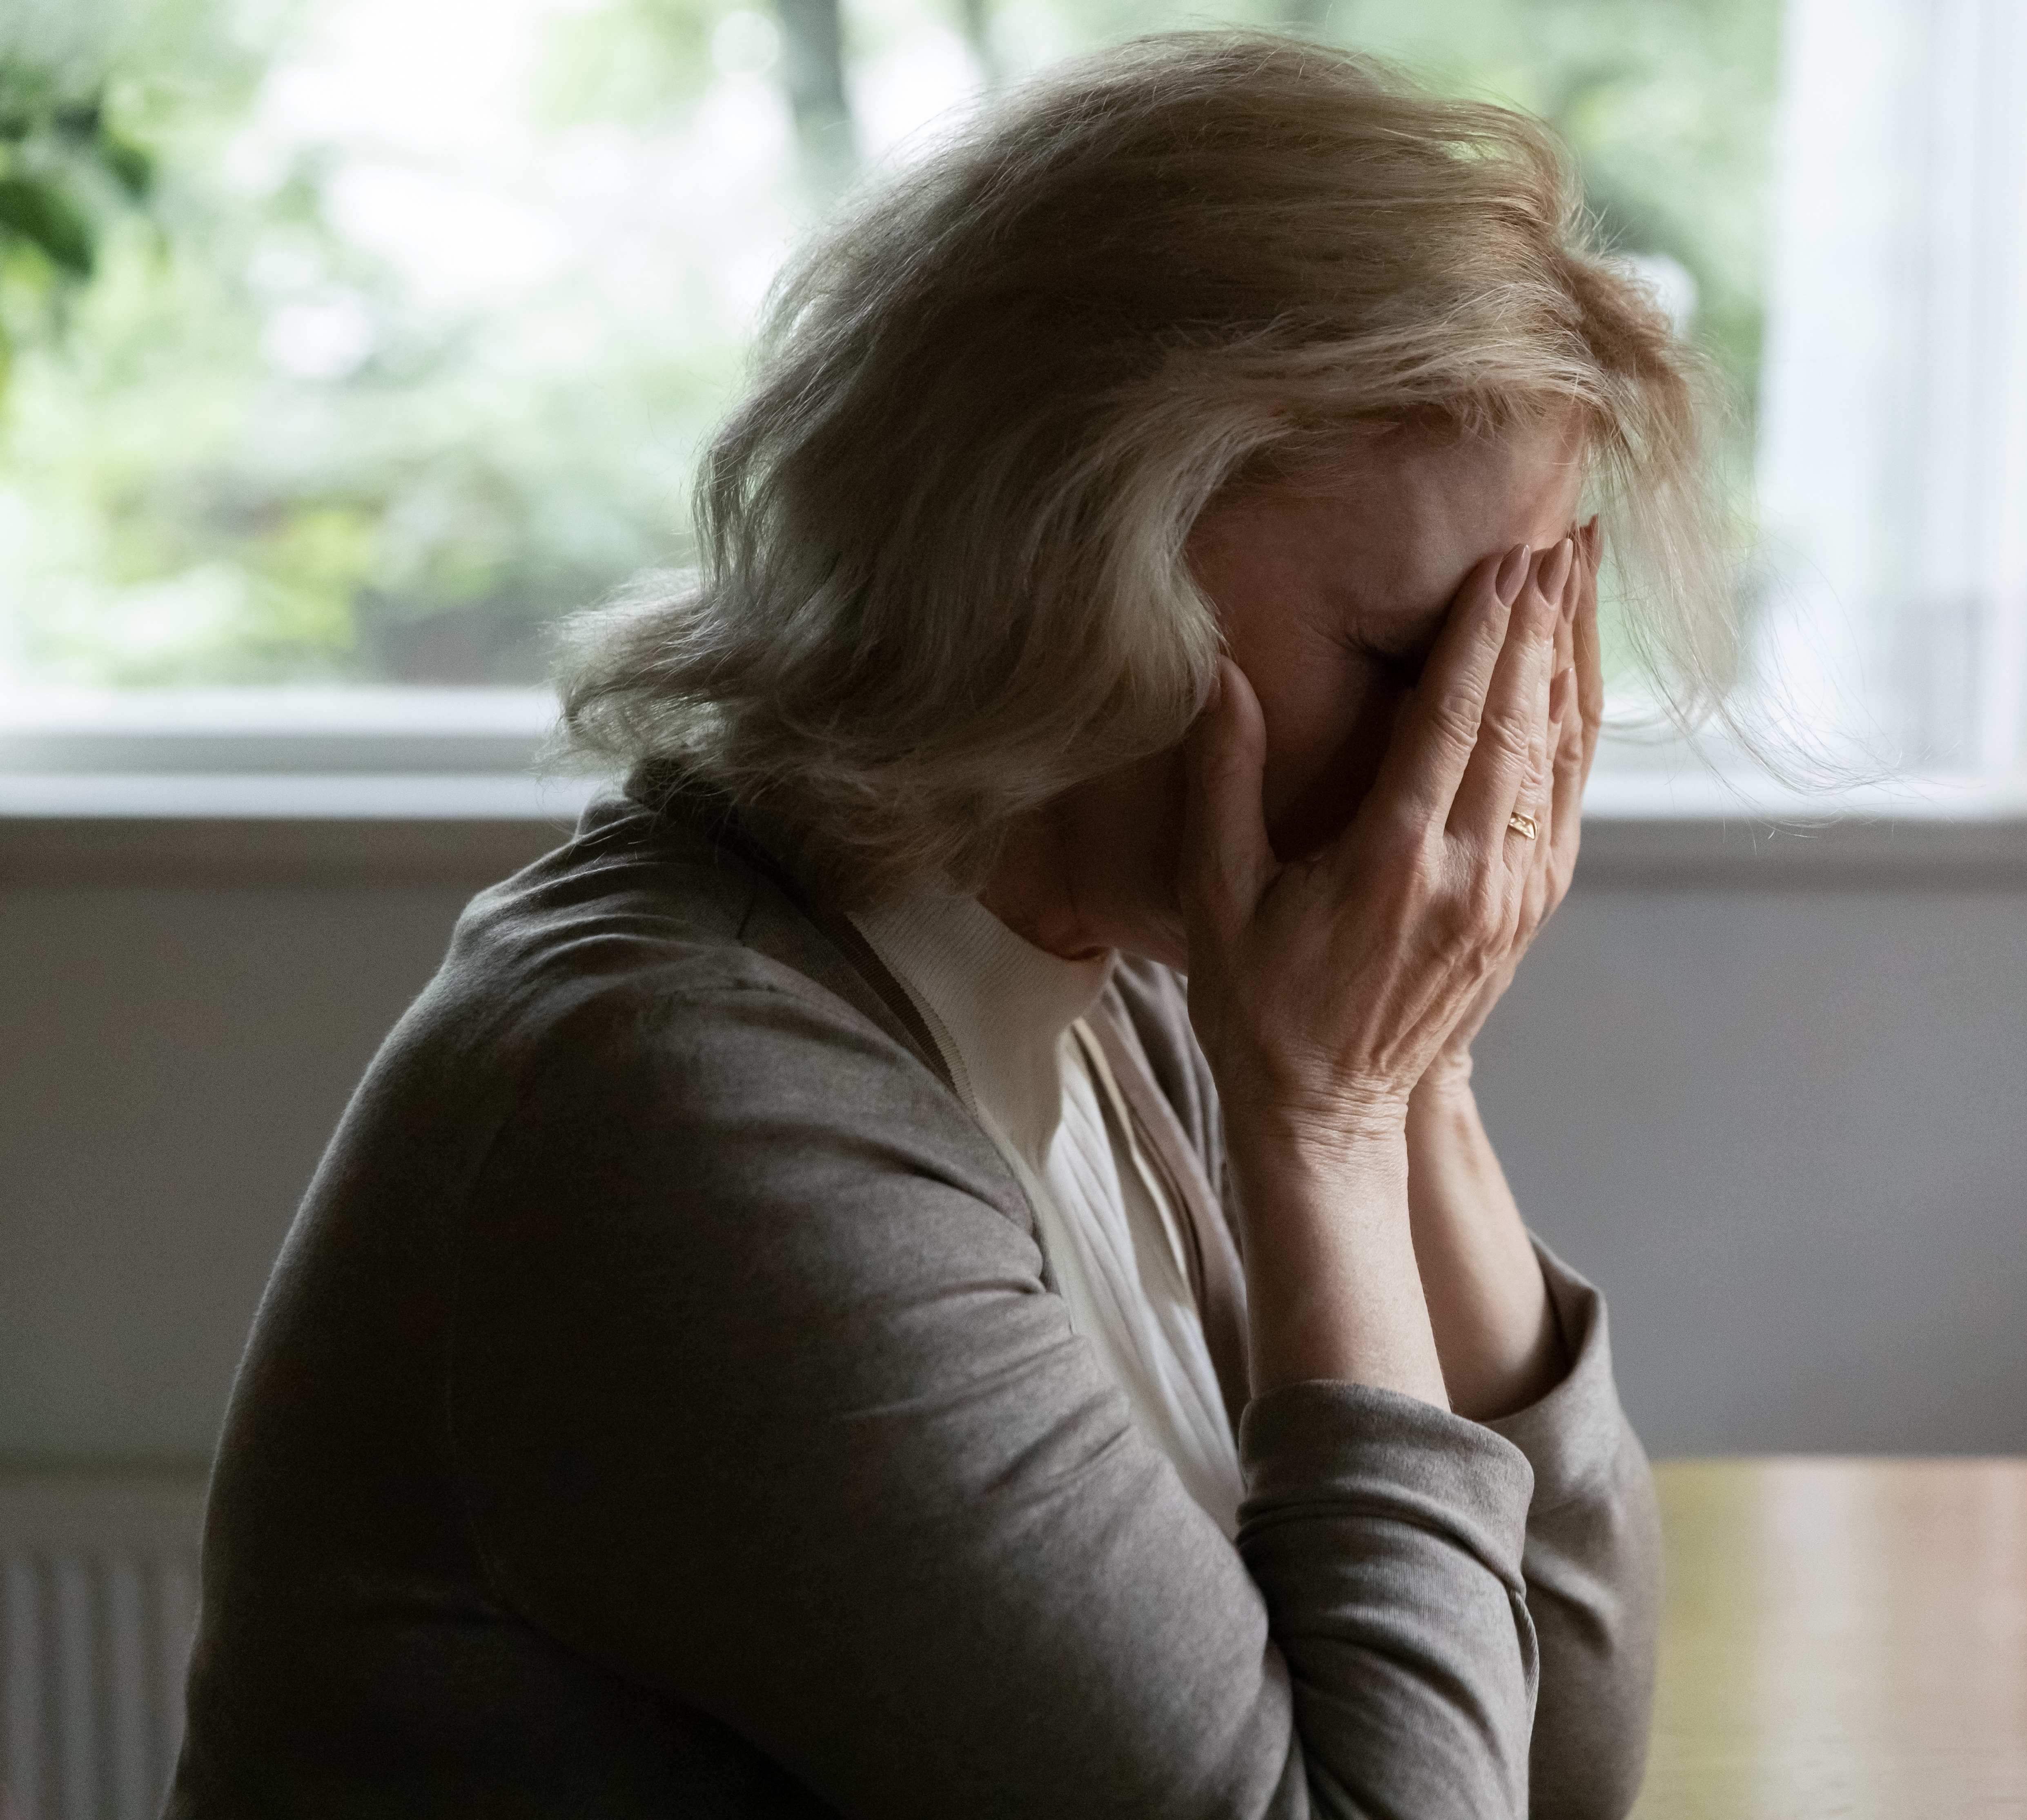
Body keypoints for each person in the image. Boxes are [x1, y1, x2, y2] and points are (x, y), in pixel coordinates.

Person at [169, 31, 1730, 1820]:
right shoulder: (687, 1110)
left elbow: (1564, 1762)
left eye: (1517, 644)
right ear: (1054, 554)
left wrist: (1416, 1077)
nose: (1475, 749)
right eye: (1404, 655)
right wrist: (1333, 1118)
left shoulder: (1124, 979)